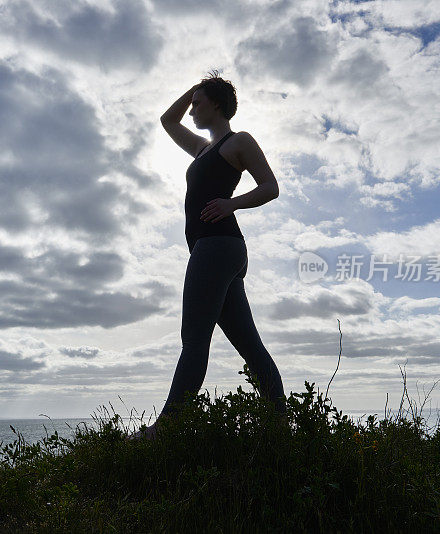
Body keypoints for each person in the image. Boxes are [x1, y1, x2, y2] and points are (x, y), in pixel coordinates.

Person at [129, 70, 287, 440]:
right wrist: (195, 87)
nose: (192, 109)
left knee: (194, 341)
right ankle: (281, 429)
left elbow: (271, 187)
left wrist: (232, 204)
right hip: (217, 250)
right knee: (250, 346)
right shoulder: (203, 149)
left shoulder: (238, 141)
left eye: (199, 103)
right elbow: (168, 120)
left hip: (219, 245)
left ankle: (163, 432)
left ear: (217, 104)